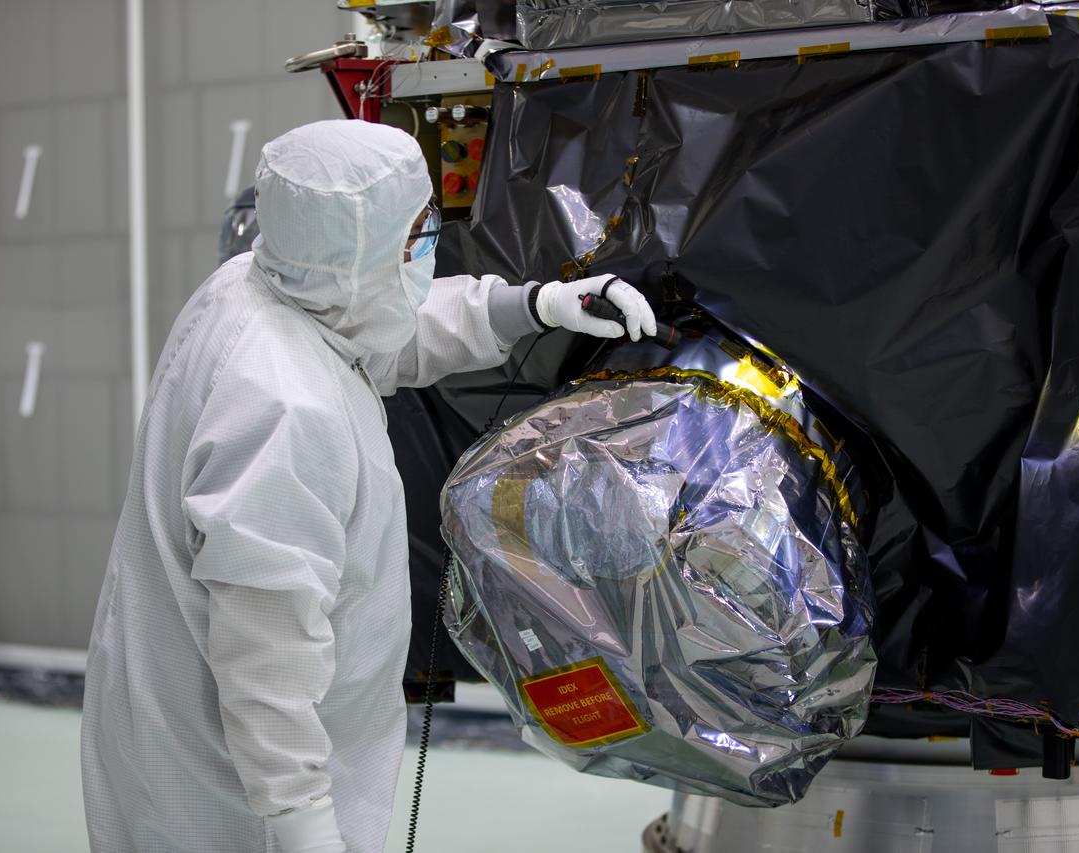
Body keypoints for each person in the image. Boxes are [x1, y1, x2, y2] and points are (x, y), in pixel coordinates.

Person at [80, 119, 657, 853]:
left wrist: (533, 306)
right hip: (238, 793)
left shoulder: (260, 286)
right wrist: (305, 829)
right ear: (349, 251)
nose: (428, 246)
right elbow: (266, 663)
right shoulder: (282, 408)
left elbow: (385, 329)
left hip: (195, 739)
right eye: (414, 233)